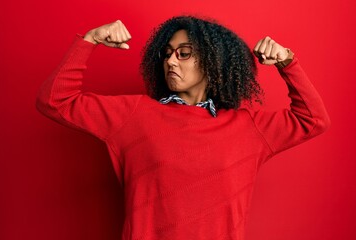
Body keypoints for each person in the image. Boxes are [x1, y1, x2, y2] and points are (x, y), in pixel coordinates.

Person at [36, 16, 330, 240]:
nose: (170, 61)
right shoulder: (134, 115)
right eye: (167, 53)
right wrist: (91, 39)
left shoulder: (248, 126)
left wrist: (287, 62)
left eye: (184, 53)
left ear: (213, 62)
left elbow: (313, 119)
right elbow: (54, 101)